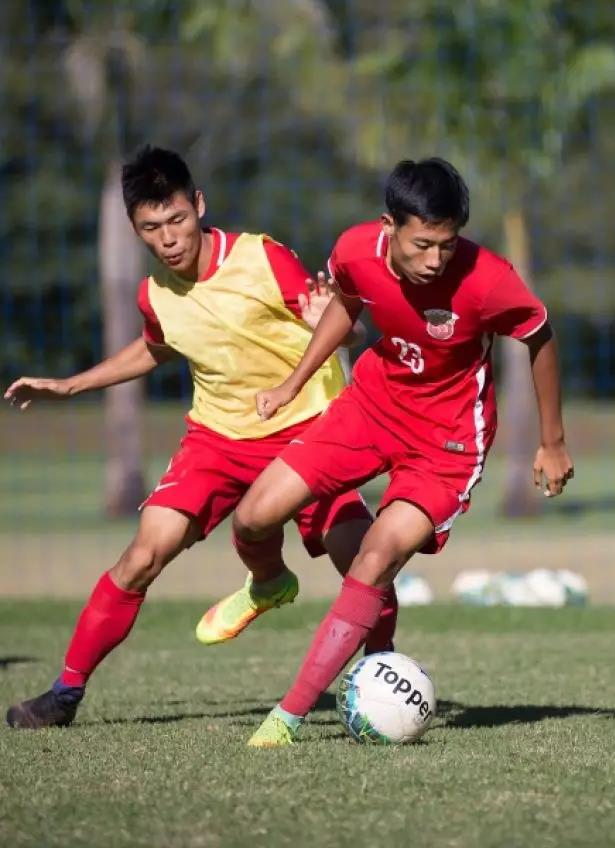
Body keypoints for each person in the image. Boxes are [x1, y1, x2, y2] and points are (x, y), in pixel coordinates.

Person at [4, 146, 398, 730]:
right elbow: (155, 346)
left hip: (311, 432)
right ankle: (64, 694)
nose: (168, 238)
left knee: (367, 563)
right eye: (151, 228)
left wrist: (334, 325)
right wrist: (71, 384)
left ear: (200, 205)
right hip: (218, 440)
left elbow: (346, 323)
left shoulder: (263, 258)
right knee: (140, 556)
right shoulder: (154, 293)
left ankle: (377, 684)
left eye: (177, 220)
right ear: (136, 230)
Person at [208, 157, 575, 747]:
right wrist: (292, 384)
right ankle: (272, 584)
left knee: (374, 556)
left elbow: (539, 335)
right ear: (388, 226)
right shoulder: (354, 250)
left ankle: (288, 717)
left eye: (447, 245)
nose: (435, 260)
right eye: (423, 244)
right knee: (253, 515)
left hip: (448, 443)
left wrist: (552, 442)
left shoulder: (489, 277)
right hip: (371, 406)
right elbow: (346, 304)